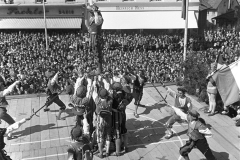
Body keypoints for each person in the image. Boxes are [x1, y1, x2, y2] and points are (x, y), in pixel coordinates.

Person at [92, 80, 113, 158]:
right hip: (108, 121)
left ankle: (101, 153)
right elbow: (110, 90)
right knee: (108, 135)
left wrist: (94, 83)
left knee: (100, 137)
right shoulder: (110, 101)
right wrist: (105, 80)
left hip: (100, 122)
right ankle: (107, 152)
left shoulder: (97, 100)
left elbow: (93, 92)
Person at [85, 0, 104, 73]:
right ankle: (96, 67)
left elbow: (97, 22)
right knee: (93, 51)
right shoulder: (92, 17)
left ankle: (99, 69)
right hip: (92, 36)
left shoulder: (98, 17)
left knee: (97, 51)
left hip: (96, 36)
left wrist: (95, 12)